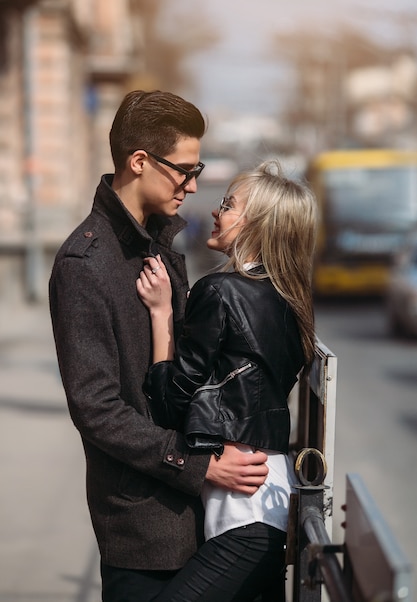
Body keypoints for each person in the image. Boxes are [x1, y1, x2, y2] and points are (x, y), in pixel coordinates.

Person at [48, 89, 269, 602]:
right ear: (140, 161)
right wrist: (199, 466)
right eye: (185, 170)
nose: (193, 186)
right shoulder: (84, 265)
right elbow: (96, 408)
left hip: (204, 519)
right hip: (144, 532)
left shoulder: (162, 246)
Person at [136, 159, 318, 601]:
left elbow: (168, 403)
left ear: (256, 225)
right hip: (274, 502)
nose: (215, 212)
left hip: (247, 520)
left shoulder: (220, 291)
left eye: (228, 205)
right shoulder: (289, 300)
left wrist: (161, 315)